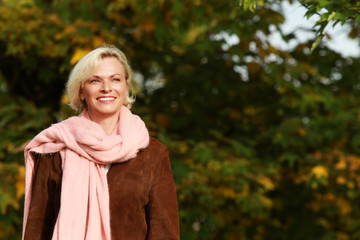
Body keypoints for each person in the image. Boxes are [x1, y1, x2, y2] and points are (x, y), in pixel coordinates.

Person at [22, 45, 180, 240]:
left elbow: (164, 232)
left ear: (125, 86)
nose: (107, 88)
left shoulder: (152, 153)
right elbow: (37, 230)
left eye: (115, 79)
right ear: (81, 90)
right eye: (95, 80)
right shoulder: (55, 149)